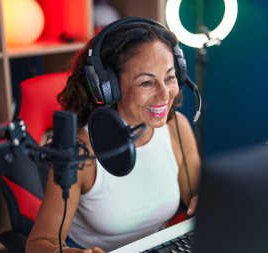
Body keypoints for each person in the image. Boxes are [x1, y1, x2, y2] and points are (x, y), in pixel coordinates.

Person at [26, 17, 201, 253]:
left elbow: (196, 192)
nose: (164, 95)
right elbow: (38, 244)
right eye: (147, 82)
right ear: (108, 87)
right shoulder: (80, 150)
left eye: (169, 78)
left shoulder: (176, 127)